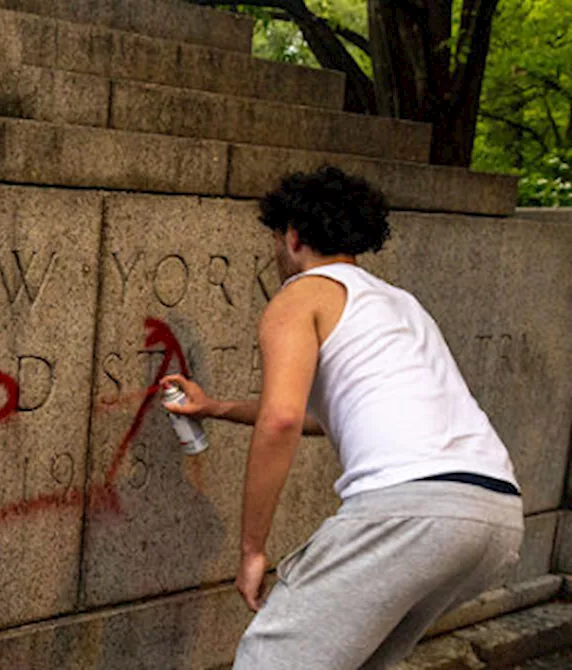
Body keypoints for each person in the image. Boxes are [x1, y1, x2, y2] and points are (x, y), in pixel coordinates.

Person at [161, 166, 523, 669]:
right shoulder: (400, 304)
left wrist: (251, 550)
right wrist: (215, 408)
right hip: (494, 514)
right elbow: (319, 416)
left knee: (271, 659)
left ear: (292, 235)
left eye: (274, 238)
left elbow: (282, 421)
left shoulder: (300, 296)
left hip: (410, 509)